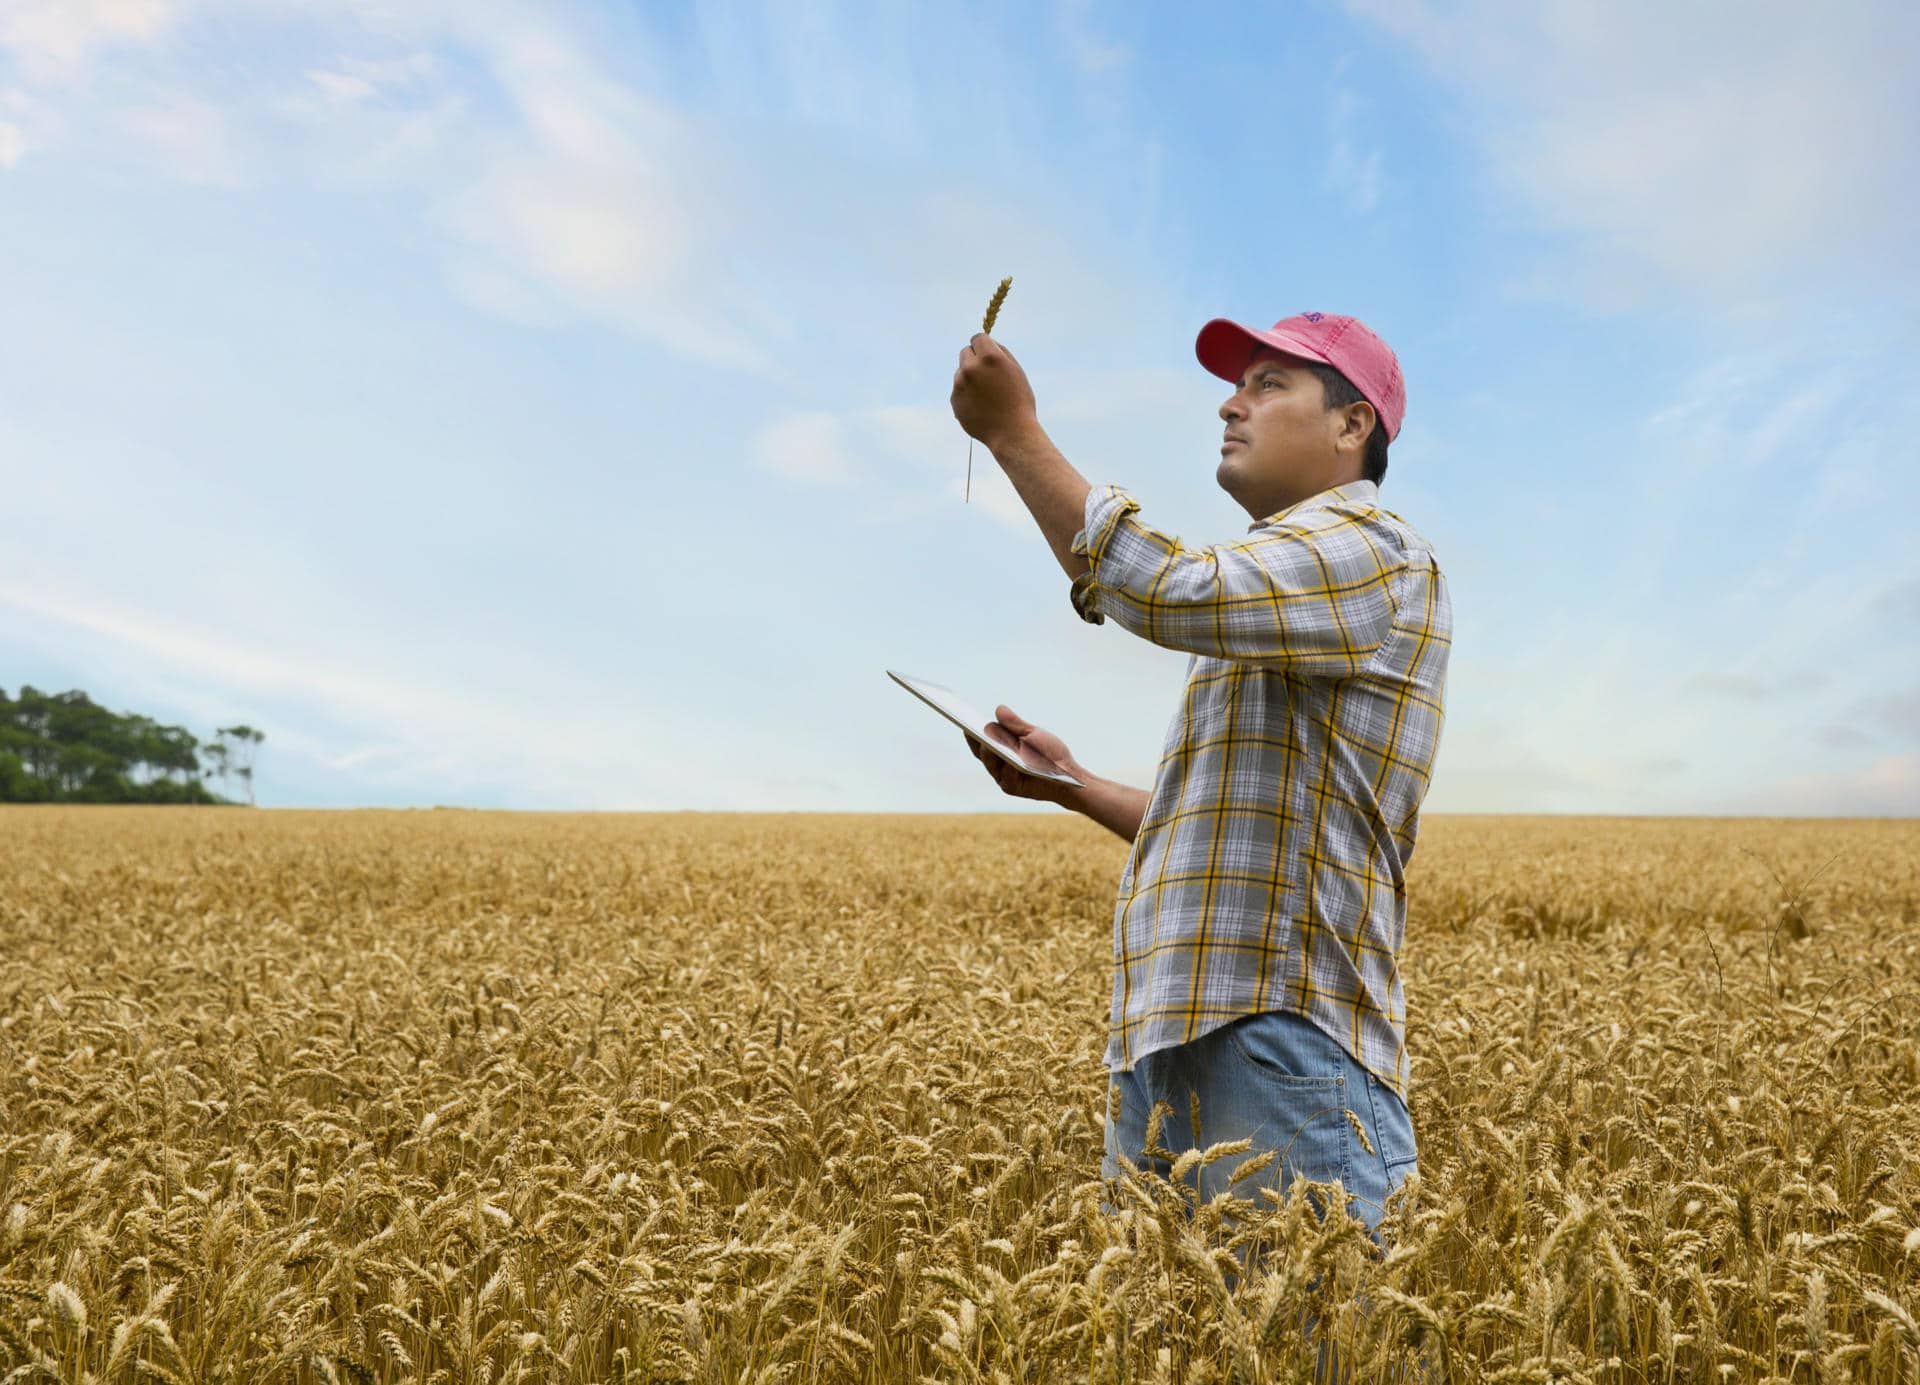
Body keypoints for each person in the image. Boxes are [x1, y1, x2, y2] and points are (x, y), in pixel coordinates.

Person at [949, 311, 1451, 1268]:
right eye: (1238, 383)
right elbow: (1218, 828)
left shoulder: (1367, 545)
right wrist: (1073, 784)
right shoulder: (1289, 598)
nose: (1231, 402)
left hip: (1282, 1044)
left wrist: (1012, 432)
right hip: (1173, 1043)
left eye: (1269, 384)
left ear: (1352, 427)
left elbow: (1170, 588)